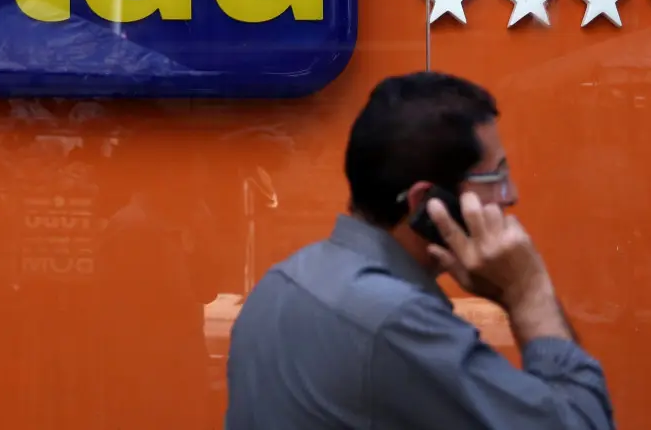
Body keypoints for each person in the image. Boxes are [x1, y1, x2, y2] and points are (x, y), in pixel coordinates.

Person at [225, 71, 614, 429]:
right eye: (495, 176)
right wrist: (528, 295)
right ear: (428, 202)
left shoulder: (282, 282)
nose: (511, 196)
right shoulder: (393, 323)